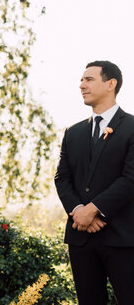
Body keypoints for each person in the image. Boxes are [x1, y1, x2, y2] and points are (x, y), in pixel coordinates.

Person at [54, 61, 134, 304]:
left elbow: (130, 179)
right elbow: (62, 178)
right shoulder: (73, 132)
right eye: (81, 80)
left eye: (89, 79)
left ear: (111, 84)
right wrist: (79, 211)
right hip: (81, 239)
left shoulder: (132, 127)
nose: (81, 85)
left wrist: (93, 209)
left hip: (123, 238)